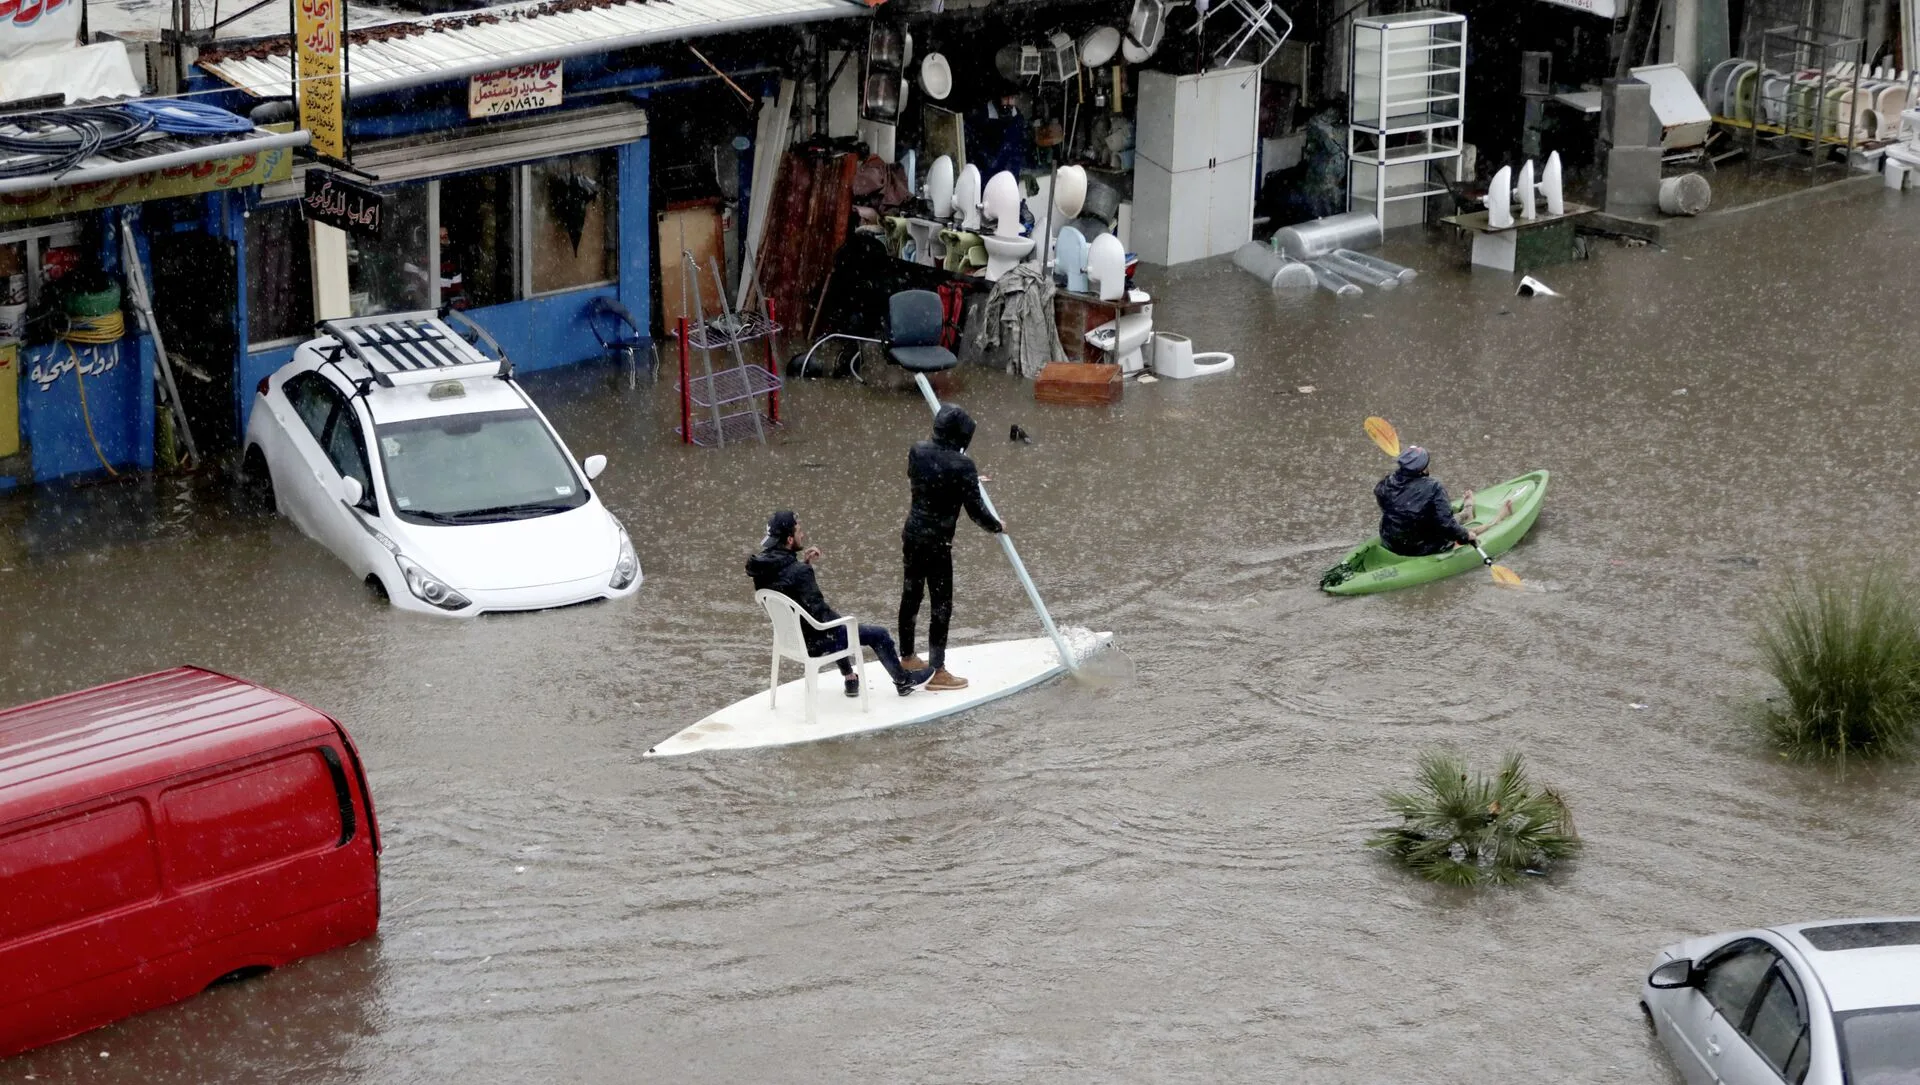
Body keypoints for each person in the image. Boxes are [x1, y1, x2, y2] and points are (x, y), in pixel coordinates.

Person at [746, 511, 933, 698]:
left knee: (836, 625)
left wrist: (805, 565)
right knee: (876, 634)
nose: (802, 535)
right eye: (799, 531)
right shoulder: (799, 573)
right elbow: (821, 616)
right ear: (789, 539)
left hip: (790, 639)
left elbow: (789, 593)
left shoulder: (762, 570)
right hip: (814, 644)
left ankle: (850, 677)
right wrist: (805, 571)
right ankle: (903, 681)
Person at [899, 406, 1004, 691]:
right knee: (941, 604)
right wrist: (997, 526)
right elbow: (976, 512)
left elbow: (928, 481)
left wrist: (965, 480)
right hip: (937, 542)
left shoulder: (917, 451)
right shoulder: (963, 466)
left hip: (912, 534)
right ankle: (937, 672)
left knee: (911, 594)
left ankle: (907, 656)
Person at [1375, 445, 1510, 557]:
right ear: (1422, 468)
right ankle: (1495, 521)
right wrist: (1465, 536)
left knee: (1430, 521)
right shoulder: (1434, 487)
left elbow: (1391, 507)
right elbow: (1446, 525)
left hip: (1391, 542)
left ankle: (1466, 513)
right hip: (1420, 547)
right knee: (1463, 532)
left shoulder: (1385, 483)